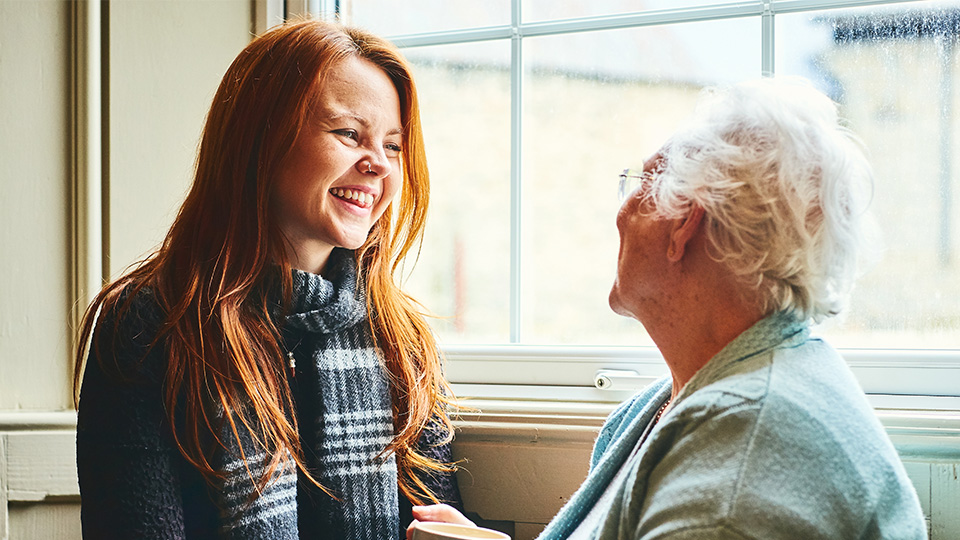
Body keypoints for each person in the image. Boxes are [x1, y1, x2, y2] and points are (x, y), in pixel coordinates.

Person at [409, 77, 927, 539]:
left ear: (685, 223)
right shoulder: (688, 399)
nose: (620, 212)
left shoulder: (743, 462)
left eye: (640, 184)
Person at [75, 19, 461, 540]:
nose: (378, 166)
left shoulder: (402, 337)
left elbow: (435, 513)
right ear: (261, 140)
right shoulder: (147, 326)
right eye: (349, 134)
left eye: (393, 146)